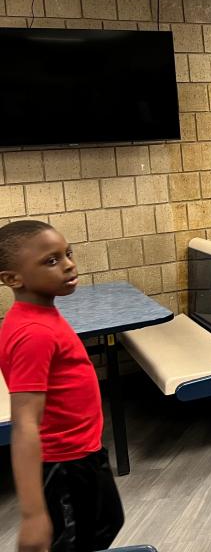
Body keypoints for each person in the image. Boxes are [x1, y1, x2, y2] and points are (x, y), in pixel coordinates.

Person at [0, 220, 124, 552]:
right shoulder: (33, 332)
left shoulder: (44, 315)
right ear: (13, 279)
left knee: (108, 522)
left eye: (67, 253)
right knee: (73, 542)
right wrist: (32, 514)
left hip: (84, 450)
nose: (69, 264)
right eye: (51, 260)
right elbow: (24, 422)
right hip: (62, 463)